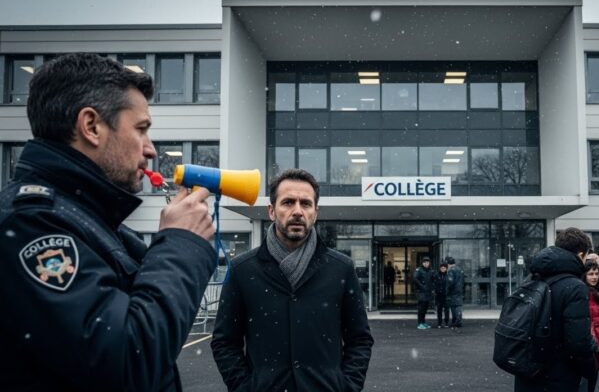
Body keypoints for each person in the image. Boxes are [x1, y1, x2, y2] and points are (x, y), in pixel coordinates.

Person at [0, 53, 217, 391]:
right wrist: (180, 244)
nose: (150, 149)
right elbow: (126, 361)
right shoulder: (31, 224)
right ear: (91, 126)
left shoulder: (83, 218)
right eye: (141, 130)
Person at [211, 169, 374, 391]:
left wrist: (346, 386)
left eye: (305, 204)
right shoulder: (242, 270)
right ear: (271, 211)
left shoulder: (341, 268)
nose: (297, 211)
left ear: (315, 212)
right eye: (288, 202)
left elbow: (360, 340)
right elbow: (225, 342)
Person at [514, 227, 595, 392]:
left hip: (529, 372)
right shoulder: (575, 287)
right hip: (559, 376)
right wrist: (591, 369)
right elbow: (578, 343)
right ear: (580, 255)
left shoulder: (532, 278)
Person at [580, 259, 599, 392]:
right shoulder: (584, 293)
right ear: (584, 275)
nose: (594, 277)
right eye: (590, 274)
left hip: (597, 348)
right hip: (590, 347)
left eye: (596, 274)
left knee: (591, 384)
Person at [414, 256, 434, 329]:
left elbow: (433, 279)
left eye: (427, 262)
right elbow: (415, 279)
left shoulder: (430, 270)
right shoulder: (419, 270)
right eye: (424, 262)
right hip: (421, 293)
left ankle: (423, 322)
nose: (426, 264)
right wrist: (422, 286)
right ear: (422, 263)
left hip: (427, 293)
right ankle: (420, 323)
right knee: (421, 309)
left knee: (425, 308)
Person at [445, 256, 465, 332]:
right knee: (458, 305)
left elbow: (450, 282)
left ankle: (456, 321)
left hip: (453, 291)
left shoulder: (451, 271)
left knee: (454, 306)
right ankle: (458, 321)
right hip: (459, 290)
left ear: (448, 263)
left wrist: (447, 290)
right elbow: (463, 280)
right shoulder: (460, 269)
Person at [434, 262, 450, 328]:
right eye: (441, 268)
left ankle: (446, 322)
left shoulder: (448, 275)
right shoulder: (437, 275)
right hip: (439, 295)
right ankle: (439, 323)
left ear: (446, 269)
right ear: (440, 268)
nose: (443, 269)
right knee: (439, 310)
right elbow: (434, 283)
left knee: (447, 310)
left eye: (444, 268)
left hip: (446, 295)